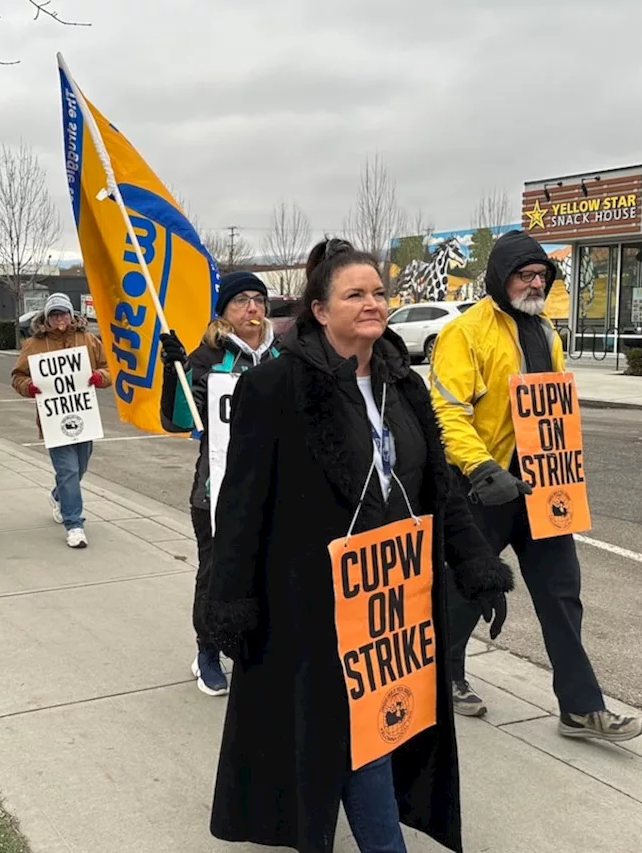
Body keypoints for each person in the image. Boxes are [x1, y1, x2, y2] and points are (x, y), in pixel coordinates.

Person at [203, 238, 514, 853]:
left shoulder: (405, 385)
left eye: (378, 292)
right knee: (351, 733)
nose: (372, 303)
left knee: (380, 727)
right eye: (355, 294)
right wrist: (227, 604)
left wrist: (475, 563)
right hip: (312, 605)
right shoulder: (275, 387)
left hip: (392, 600)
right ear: (320, 310)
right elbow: (239, 505)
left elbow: (438, 490)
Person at [430, 230, 642, 742]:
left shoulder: (546, 331)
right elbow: (446, 411)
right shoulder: (466, 333)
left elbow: (552, 403)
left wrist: (564, 461)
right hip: (482, 489)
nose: (534, 284)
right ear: (499, 276)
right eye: (523, 275)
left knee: (561, 592)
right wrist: (483, 468)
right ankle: (443, 672)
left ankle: (580, 708)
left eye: (541, 277)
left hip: (543, 489)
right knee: (468, 590)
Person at [157, 271, 281, 698]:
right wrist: (173, 371)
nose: (253, 308)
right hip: (215, 492)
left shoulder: (280, 357)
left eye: (259, 300)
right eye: (242, 300)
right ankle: (207, 652)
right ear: (224, 310)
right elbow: (176, 420)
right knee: (215, 577)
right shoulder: (207, 358)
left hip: (272, 492)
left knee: (267, 574)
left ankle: (254, 647)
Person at [11, 293, 110, 549]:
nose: (59, 319)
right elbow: (18, 376)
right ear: (46, 318)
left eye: (63, 313)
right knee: (67, 470)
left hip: (83, 416)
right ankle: (74, 524)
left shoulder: (88, 340)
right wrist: (29, 387)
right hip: (53, 419)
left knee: (80, 467)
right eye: (54, 315)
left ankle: (58, 496)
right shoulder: (34, 344)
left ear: (71, 314)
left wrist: (100, 376)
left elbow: (108, 368)